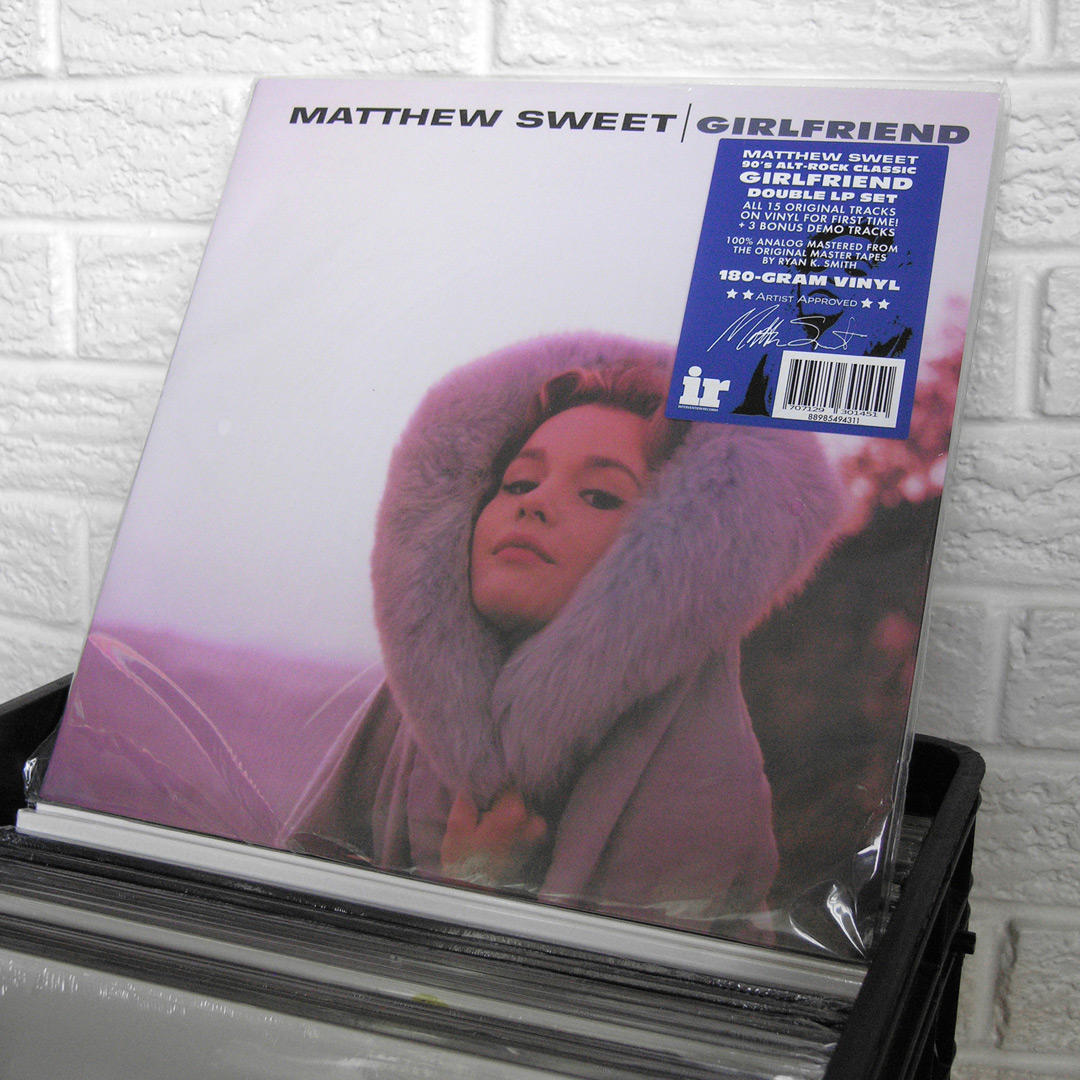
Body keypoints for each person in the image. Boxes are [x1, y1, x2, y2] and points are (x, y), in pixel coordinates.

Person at [287, 333, 845, 934]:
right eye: (518, 482)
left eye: (599, 495)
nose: (535, 504)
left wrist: (473, 894)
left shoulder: (698, 774)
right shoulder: (407, 712)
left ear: (674, 556)